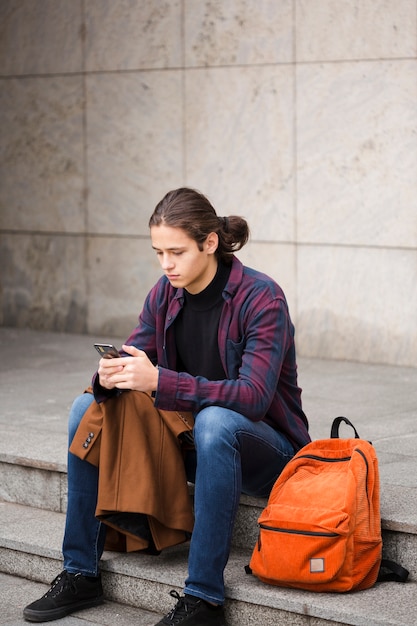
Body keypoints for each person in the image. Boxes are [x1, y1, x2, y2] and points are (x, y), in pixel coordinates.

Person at [23, 187, 310, 625]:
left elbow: (253, 397)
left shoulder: (261, 298)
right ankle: (80, 572)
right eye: (158, 252)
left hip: (268, 452)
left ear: (209, 243)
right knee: (86, 410)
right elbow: (136, 354)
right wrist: (109, 378)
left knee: (216, 422)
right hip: (189, 442)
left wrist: (161, 381)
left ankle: (204, 598)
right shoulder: (165, 293)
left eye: (176, 252)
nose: (166, 264)